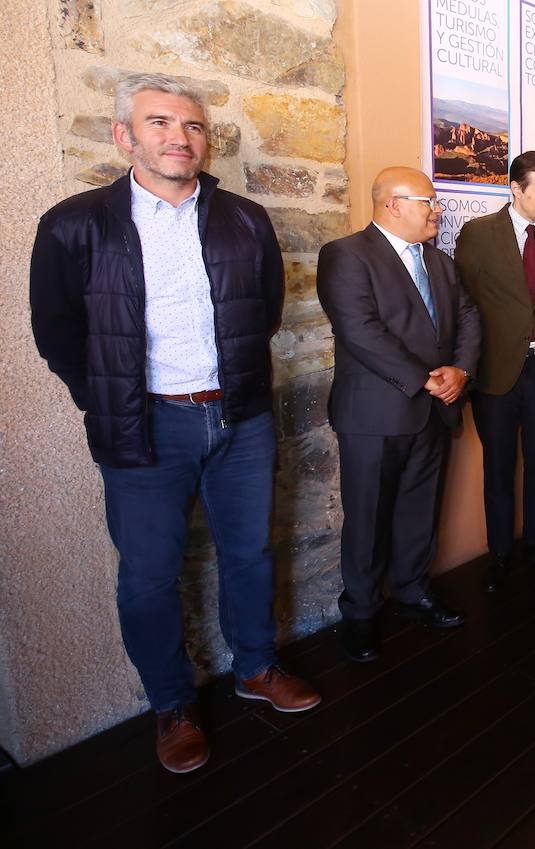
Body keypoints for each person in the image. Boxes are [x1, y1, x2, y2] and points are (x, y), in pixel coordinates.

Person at [29, 73, 319, 774]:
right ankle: (173, 704)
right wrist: (105, 400)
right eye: (159, 123)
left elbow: (264, 310)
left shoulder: (244, 219)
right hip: (143, 427)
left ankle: (255, 665)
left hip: (239, 416)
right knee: (150, 577)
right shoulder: (76, 223)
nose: (178, 138)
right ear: (124, 135)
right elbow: (58, 331)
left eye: (191, 127)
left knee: (249, 552)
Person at [317, 167, 481, 663]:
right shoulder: (346, 255)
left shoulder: (440, 262)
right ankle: (362, 614)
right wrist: (426, 378)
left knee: (419, 509)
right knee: (366, 518)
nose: (437, 210)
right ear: (392, 204)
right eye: (428, 201)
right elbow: (359, 329)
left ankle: (412, 590)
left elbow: (470, 316)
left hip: (434, 412)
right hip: (374, 415)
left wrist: (461, 371)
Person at [455, 151, 535, 592]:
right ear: (516, 190)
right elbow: (463, 304)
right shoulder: (478, 234)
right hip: (495, 374)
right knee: (499, 469)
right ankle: (501, 555)